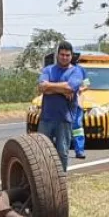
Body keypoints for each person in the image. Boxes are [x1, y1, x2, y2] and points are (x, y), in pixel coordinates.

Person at [37, 41, 82, 171]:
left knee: (62, 152)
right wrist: (63, 89)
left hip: (65, 119)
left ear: (71, 56)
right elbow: (41, 87)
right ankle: (44, 179)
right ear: (57, 55)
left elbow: (70, 87)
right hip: (46, 118)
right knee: (43, 152)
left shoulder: (76, 72)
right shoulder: (48, 70)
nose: (64, 57)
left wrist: (50, 87)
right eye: (62, 54)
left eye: (67, 55)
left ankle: (60, 180)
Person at [70, 66, 88, 160]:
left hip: (77, 104)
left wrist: (81, 89)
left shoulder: (81, 70)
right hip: (63, 105)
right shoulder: (60, 68)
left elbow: (87, 84)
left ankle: (79, 151)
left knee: (77, 128)